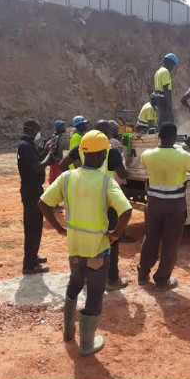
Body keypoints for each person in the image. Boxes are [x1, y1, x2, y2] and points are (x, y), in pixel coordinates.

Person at [38, 130, 132, 356]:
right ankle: (87, 344)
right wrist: (116, 234)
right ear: (102, 156)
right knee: (95, 292)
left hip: (75, 247)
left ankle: (68, 332)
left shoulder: (67, 177)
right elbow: (126, 210)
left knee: (74, 284)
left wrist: (60, 228)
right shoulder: (106, 182)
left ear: (82, 153)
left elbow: (43, 203)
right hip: (98, 249)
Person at [59, 120, 134, 291]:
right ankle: (112, 279)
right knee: (111, 240)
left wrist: (80, 177)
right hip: (107, 202)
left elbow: (63, 164)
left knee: (85, 236)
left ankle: (84, 275)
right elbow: (123, 174)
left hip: (84, 200)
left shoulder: (80, 149)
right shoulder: (111, 151)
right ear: (106, 134)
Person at [137, 122, 190, 291]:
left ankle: (143, 273)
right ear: (174, 138)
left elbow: (144, 165)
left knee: (150, 238)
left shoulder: (148, 154)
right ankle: (162, 279)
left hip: (153, 204)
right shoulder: (182, 155)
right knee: (170, 242)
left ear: (159, 136)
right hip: (175, 206)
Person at [17, 119, 56, 274]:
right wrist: (50, 156)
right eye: (38, 130)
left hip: (31, 189)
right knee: (33, 226)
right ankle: (29, 264)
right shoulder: (26, 146)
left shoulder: (26, 144)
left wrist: (45, 150)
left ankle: (32, 256)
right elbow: (38, 166)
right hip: (31, 190)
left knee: (34, 225)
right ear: (33, 130)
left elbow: (36, 159)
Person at [154, 53, 178, 125]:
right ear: (169, 62)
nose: (173, 67)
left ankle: (160, 135)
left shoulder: (158, 72)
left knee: (162, 121)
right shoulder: (165, 72)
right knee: (170, 123)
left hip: (158, 100)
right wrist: (170, 105)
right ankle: (167, 136)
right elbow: (166, 90)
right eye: (173, 65)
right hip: (164, 101)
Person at [49, 120, 66, 185]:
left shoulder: (60, 137)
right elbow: (50, 151)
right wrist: (56, 159)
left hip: (58, 162)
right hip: (55, 163)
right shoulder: (55, 137)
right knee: (54, 182)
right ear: (58, 127)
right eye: (63, 126)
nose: (65, 128)